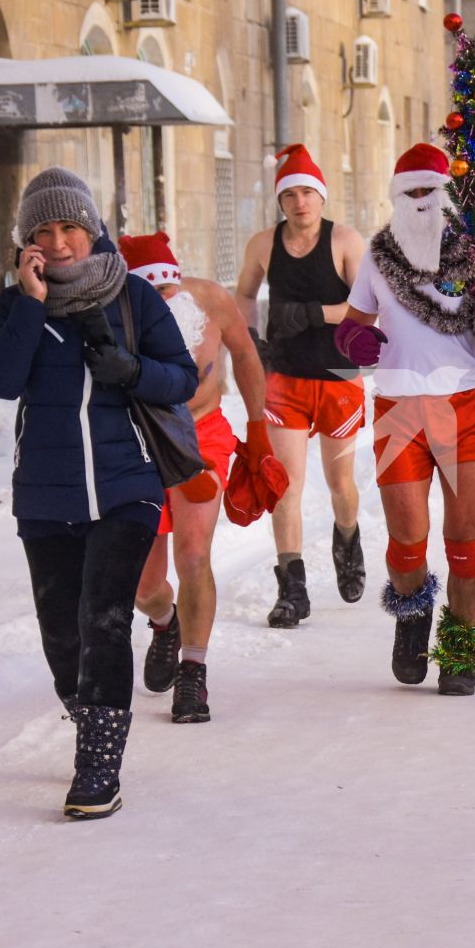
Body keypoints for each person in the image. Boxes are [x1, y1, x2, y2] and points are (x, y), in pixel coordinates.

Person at [0, 168, 199, 819]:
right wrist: (27, 300)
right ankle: (91, 715)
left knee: (104, 618)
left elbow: (181, 379)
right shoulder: (14, 303)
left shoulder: (131, 296)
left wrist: (132, 370)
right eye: (43, 231)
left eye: (69, 226)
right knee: (61, 637)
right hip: (45, 496)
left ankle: (99, 763)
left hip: (126, 486)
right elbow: (0, 380)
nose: (59, 241)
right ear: (27, 243)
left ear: (92, 227)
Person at [333, 144, 475, 696]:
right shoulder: (376, 256)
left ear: (448, 196)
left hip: (463, 406)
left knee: (465, 538)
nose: (421, 202)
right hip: (398, 410)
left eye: (430, 191)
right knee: (407, 538)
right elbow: (351, 324)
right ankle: (414, 617)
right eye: (410, 193)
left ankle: (461, 650)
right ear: (396, 199)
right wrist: (353, 339)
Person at [121, 233, 274, 724]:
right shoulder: (117, 318)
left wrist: (257, 430)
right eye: (154, 296)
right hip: (141, 441)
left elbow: (247, 356)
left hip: (203, 435)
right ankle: (165, 623)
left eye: (170, 293)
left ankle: (194, 672)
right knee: (145, 586)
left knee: (193, 554)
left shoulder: (209, 301)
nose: (165, 304)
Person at [234, 143, 371, 628]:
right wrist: (251, 338)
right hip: (285, 378)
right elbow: (245, 295)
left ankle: (348, 536)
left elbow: (368, 309)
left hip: (338, 376)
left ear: (322, 197)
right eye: (290, 194)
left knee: (340, 484)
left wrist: (314, 314)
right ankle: (292, 588)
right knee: (285, 484)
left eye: (308, 192)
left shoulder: (346, 243)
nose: (300, 202)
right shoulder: (262, 245)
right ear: (280, 201)